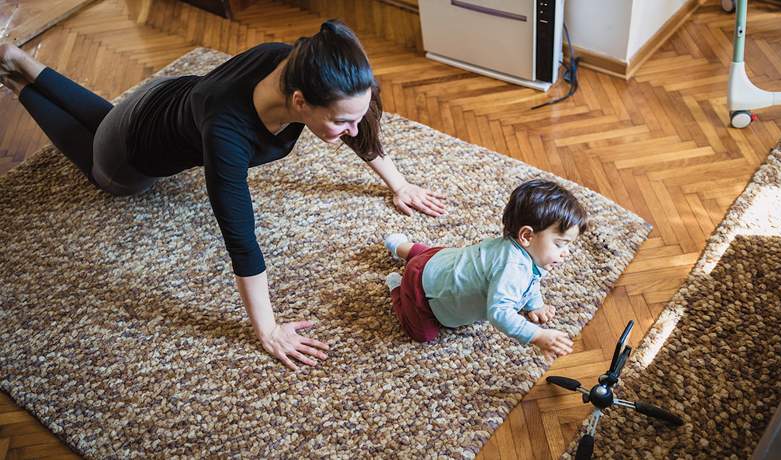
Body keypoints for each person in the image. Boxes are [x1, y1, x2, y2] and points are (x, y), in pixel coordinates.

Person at [0, 20, 446, 370]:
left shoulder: (298, 63)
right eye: (341, 123)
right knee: (107, 171)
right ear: (299, 102)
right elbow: (241, 237)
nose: (351, 130)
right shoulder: (228, 134)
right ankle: (18, 82)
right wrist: (267, 329)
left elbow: (355, 117)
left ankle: (16, 58)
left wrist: (400, 183)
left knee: (106, 120)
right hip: (133, 151)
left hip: (163, 97)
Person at [383, 179, 584, 360]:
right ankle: (397, 288)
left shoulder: (523, 251)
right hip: (422, 291)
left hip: (440, 260)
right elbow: (499, 313)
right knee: (423, 334)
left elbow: (533, 280)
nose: (566, 253)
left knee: (425, 255)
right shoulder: (513, 269)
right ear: (527, 236)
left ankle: (399, 246)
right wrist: (537, 335)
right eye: (560, 244)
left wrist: (535, 305)